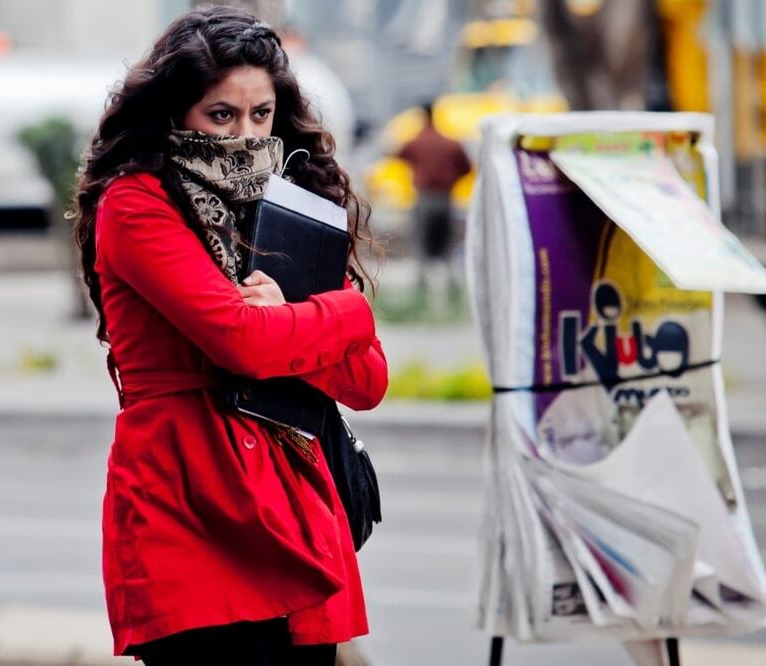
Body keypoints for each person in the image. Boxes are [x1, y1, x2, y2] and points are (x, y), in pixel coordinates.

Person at [72, 7, 388, 666]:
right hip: (190, 503)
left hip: (289, 497)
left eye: (261, 115)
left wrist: (298, 323)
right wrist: (348, 313)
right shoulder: (135, 204)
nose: (244, 135)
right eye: (222, 115)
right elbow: (241, 341)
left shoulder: (292, 206)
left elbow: (367, 382)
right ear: (175, 113)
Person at [396, 102, 472, 302]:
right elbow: (468, 167)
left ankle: (420, 294)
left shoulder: (416, 141)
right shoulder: (450, 143)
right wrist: (452, 179)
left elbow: (397, 155)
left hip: (425, 198)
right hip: (446, 199)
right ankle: (453, 293)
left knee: (421, 243)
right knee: (447, 244)